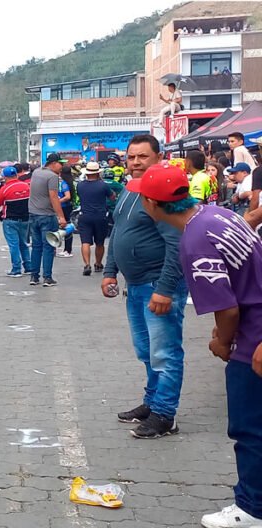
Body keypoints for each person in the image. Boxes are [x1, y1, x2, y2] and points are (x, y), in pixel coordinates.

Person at [135, 162, 262, 528]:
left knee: (249, 426)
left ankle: (252, 509)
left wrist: (222, 341)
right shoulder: (216, 213)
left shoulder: (195, 240)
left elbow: (228, 307)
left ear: (151, 205)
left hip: (253, 331)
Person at [103, 135, 188, 439]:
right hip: (135, 285)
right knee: (147, 351)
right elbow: (118, 232)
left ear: (159, 157)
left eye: (143, 157)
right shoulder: (130, 191)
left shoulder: (163, 193)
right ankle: (152, 403)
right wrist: (110, 270)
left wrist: (165, 289)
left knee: (165, 352)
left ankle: (165, 415)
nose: (136, 163)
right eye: (131, 157)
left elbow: (177, 243)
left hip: (158, 285)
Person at [28, 153, 67, 287]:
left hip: (33, 214)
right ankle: (47, 277)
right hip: (47, 216)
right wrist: (61, 217)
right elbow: (54, 197)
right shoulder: (52, 176)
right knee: (48, 247)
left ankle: (34, 276)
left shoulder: (36, 172)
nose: (62, 167)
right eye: (60, 164)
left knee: (36, 247)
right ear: (54, 163)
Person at [76, 162, 113, 275]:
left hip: (85, 216)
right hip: (100, 216)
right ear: (98, 173)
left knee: (85, 242)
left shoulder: (80, 185)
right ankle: (98, 263)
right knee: (100, 243)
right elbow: (112, 197)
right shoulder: (103, 185)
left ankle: (87, 265)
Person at [0, 166, 32, 277]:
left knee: (13, 245)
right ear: (16, 175)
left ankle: (16, 269)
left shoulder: (5, 189)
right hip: (25, 219)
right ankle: (28, 267)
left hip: (10, 220)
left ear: (5, 177)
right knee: (24, 243)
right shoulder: (26, 186)